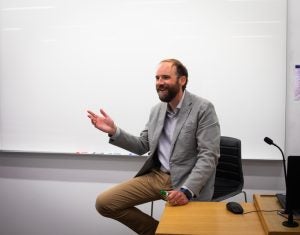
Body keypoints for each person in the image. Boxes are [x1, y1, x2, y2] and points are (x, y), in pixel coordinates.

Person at [87, 59, 220, 235]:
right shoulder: (156, 110)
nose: (159, 83)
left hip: (186, 180)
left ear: (182, 80)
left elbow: (208, 155)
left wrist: (187, 191)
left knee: (188, 230)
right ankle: (157, 232)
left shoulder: (203, 108)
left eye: (165, 77)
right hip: (157, 177)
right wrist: (114, 131)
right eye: (157, 78)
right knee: (105, 203)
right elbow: (143, 145)